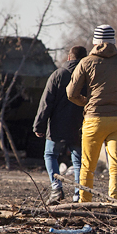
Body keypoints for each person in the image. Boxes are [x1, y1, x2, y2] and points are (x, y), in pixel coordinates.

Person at [66, 24, 117, 202]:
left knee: (87, 166)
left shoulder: (86, 62)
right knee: (116, 166)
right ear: (113, 41)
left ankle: (85, 203)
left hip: (94, 119)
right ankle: (115, 203)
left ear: (95, 42)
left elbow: (71, 93)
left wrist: (86, 102)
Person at [33, 46, 87, 205]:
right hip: (80, 127)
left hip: (57, 127)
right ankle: (79, 195)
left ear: (69, 58)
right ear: (85, 59)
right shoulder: (88, 77)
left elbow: (46, 103)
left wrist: (39, 126)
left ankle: (56, 189)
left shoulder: (58, 75)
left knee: (50, 155)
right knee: (78, 162)